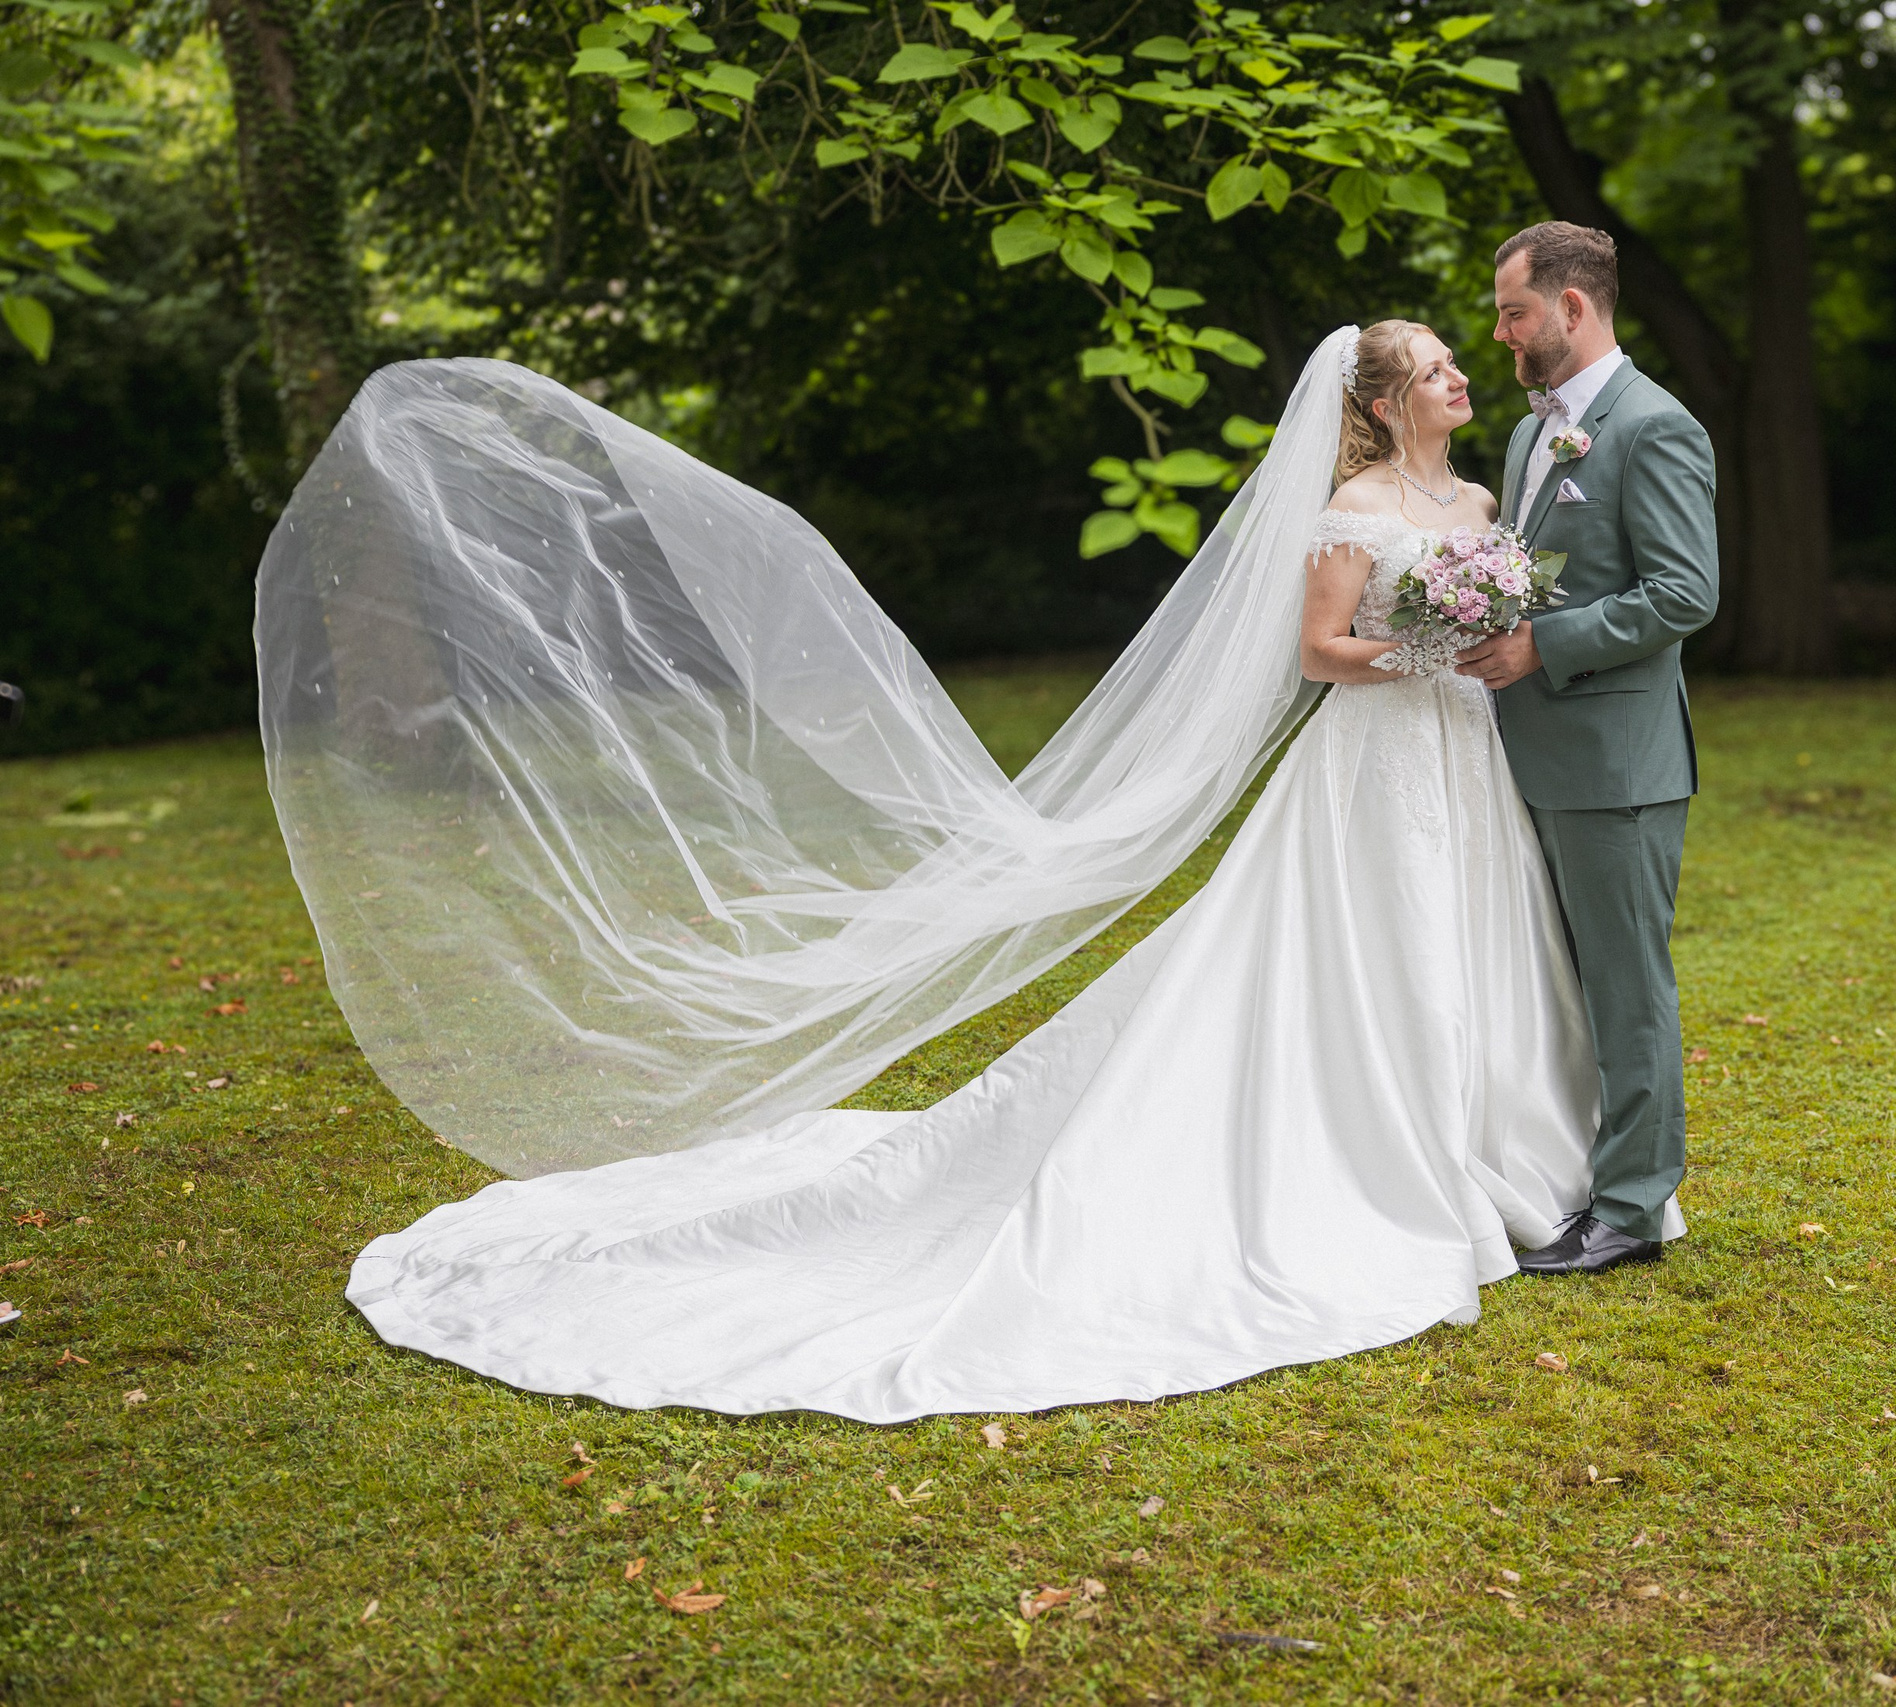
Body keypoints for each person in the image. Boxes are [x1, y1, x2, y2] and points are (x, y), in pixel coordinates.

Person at [271, 256, 1709, 1426]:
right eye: (1445, 361)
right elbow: (1321, 647)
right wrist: (1423, 648)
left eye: (1487, 338)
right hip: (1386, 755)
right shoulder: (1348, 507)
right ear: (1385, 400)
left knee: (1491, 942)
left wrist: (1486, 636)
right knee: (1367, 955)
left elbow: (1566, 595)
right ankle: (1401, 1159)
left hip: (1474, 761)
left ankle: (1522, 1152)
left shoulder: (1486, 488)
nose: (1475, 362)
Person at [1458, 222, 1723, 1274]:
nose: (1499, 332)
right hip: (1519, 753)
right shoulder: (1534, 434)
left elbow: (1683, 592)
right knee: (1555, 987)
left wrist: (1541, 647)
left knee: (1625, 987)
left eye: (1513, 311)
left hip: (1615, 764)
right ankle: (1571, 1174)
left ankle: (1630, 1207)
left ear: (1573, 307)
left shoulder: (1654, 426)